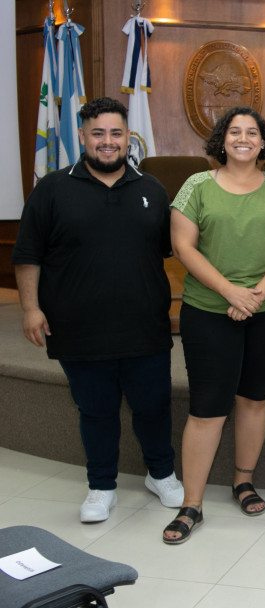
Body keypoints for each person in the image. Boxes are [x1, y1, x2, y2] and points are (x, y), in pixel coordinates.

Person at [12, 96, 184, 523]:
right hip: (78, 328)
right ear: (82, 136)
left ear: (128, 138)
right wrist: (31, 309)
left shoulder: (152, 189)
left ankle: (161, 474)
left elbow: (172, 249)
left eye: (116, 134)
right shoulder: (51, 189)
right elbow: (27, 255)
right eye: (98, 134)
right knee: (95, 409)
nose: (108, 142)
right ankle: (101, 486)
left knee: (153, 405)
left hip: (144, 325)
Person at [162, 106, 265, 544]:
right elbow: (183, 247)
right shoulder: (196, 186)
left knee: (253, 399)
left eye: (252, 132)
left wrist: (256, 295)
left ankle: (243, 481)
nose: (243, 138)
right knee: (207, 408)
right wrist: (232, 293)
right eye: (234, 131)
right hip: (209, 310)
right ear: (221, 141)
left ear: (263, 142)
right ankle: (192, 503)